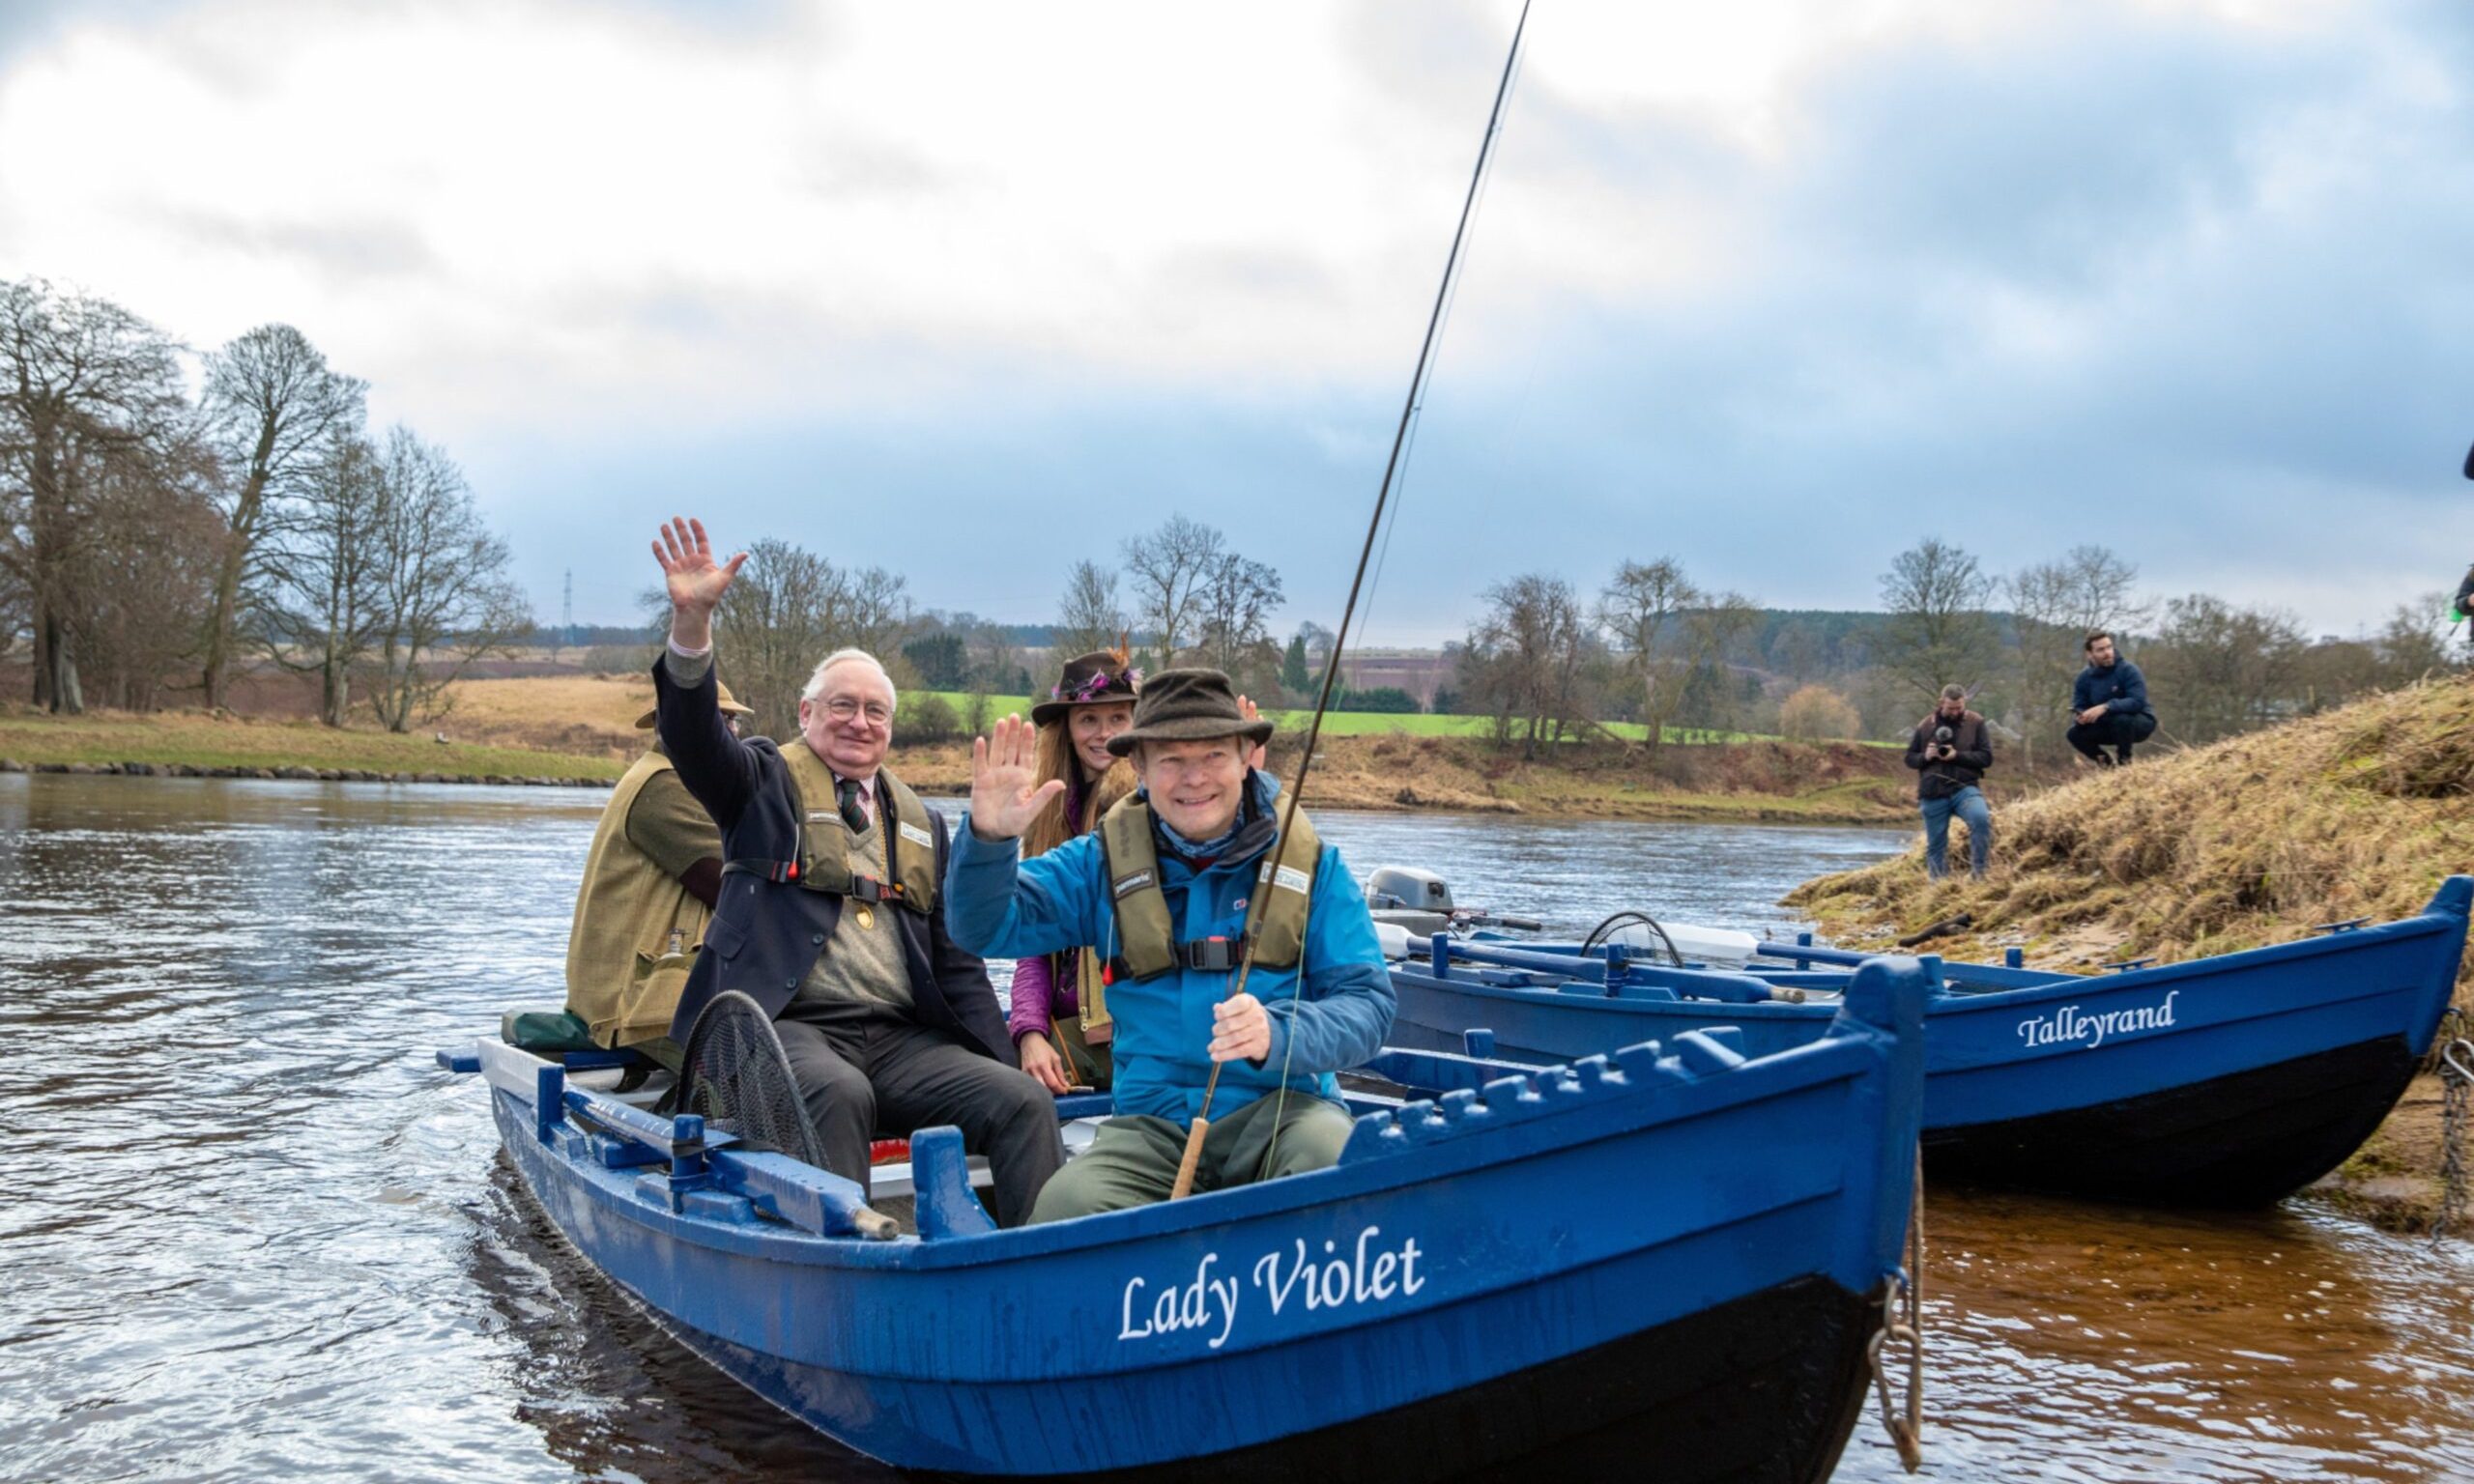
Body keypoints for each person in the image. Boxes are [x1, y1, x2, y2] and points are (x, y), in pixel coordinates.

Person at [647, 517, 1062, 1225]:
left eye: (875, 711)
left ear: (891, 730)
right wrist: (692, 627)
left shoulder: (923, 823)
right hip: (785, 1027)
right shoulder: (758, 783)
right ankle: (842, 1274)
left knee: (1020, 1101)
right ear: (807, 712)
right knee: (840, 1094)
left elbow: (957, 962)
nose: (859, 722)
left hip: (901, 1040)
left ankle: (1042, 1266)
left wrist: (1010, 1050)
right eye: (842, 706)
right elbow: (691, 735)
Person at [945, 668, 1395, 1224]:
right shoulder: (1099, 863)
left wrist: (1280, 1034)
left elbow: (1369, 1007)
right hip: (1150, 1131)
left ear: (1245, 755)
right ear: (1139, 767)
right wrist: (989, 842)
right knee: (1065, 1208)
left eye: (1212, 756)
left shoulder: (1315, 866)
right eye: (1171, 760)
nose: (1193, 778)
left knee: (1337, 1168)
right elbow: (983, 928)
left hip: (1285, 1115)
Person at [561, 681, 754, 1070]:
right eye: (718, 721)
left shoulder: (680, 780)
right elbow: (734, 889)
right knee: (759, 1068)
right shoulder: (663, 786)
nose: (729, 733)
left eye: (731, 722)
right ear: (673, 726)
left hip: (651, 997)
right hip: (633, 1009)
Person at [1008, 648, 1142, 1095]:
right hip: (1067, 1021)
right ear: (1067, 729)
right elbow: (1033, 940)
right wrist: (1029, 1032)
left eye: (1118, 719)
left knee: (999, 1084)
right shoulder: (1048, 811)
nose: (1103, 734)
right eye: (1088, 720)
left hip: (1128, 1035)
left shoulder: (1148, 807)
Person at [1905, 683, 1994, 879]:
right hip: (1933, 791)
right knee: (1936, 844)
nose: (1955, 712)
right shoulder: (1925, 725)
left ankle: (1979, 875)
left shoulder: (1976, 722)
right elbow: (1909, 758)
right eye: (1950, 708)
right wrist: (1925, 757)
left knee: (1981, 820)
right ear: (1941, 702)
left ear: (1964, 703)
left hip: (1965, 788)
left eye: (1959, 708)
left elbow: (1986, 758)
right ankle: (1938, 887)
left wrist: (1957, 756)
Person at [2066, 631, 2158, 766]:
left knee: (2121, 719)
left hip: (2139, 721)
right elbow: (2080, 704)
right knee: (2073, 734)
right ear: (2090, 654)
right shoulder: (2083, 678)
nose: (2107, 652)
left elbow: (2137, 701)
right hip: (2107, 724)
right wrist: (2082, 717)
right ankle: (2106, 764)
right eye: (2101, 650)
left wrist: (2106, 707)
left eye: (2109, 647)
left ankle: (2125, 762)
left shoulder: (2129, 670)